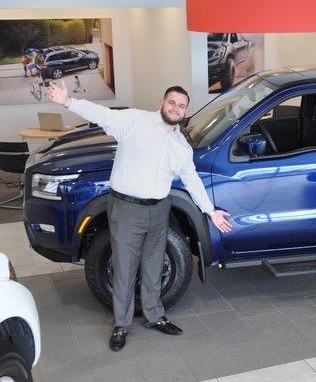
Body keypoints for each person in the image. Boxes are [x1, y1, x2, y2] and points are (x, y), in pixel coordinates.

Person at [47, 80, 233, 351]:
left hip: (159, 210)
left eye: (181, 106)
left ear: (185, 112)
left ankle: (155, 315)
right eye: (171, 102)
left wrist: (210, 211)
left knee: (154, 265)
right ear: (162, 103)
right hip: (126, 209)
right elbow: (102, 115)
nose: (175, 108)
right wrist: (68, 101)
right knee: (124, 268)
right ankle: (121, 325)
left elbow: (191, 180)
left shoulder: (181, 146)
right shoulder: (135, 121)